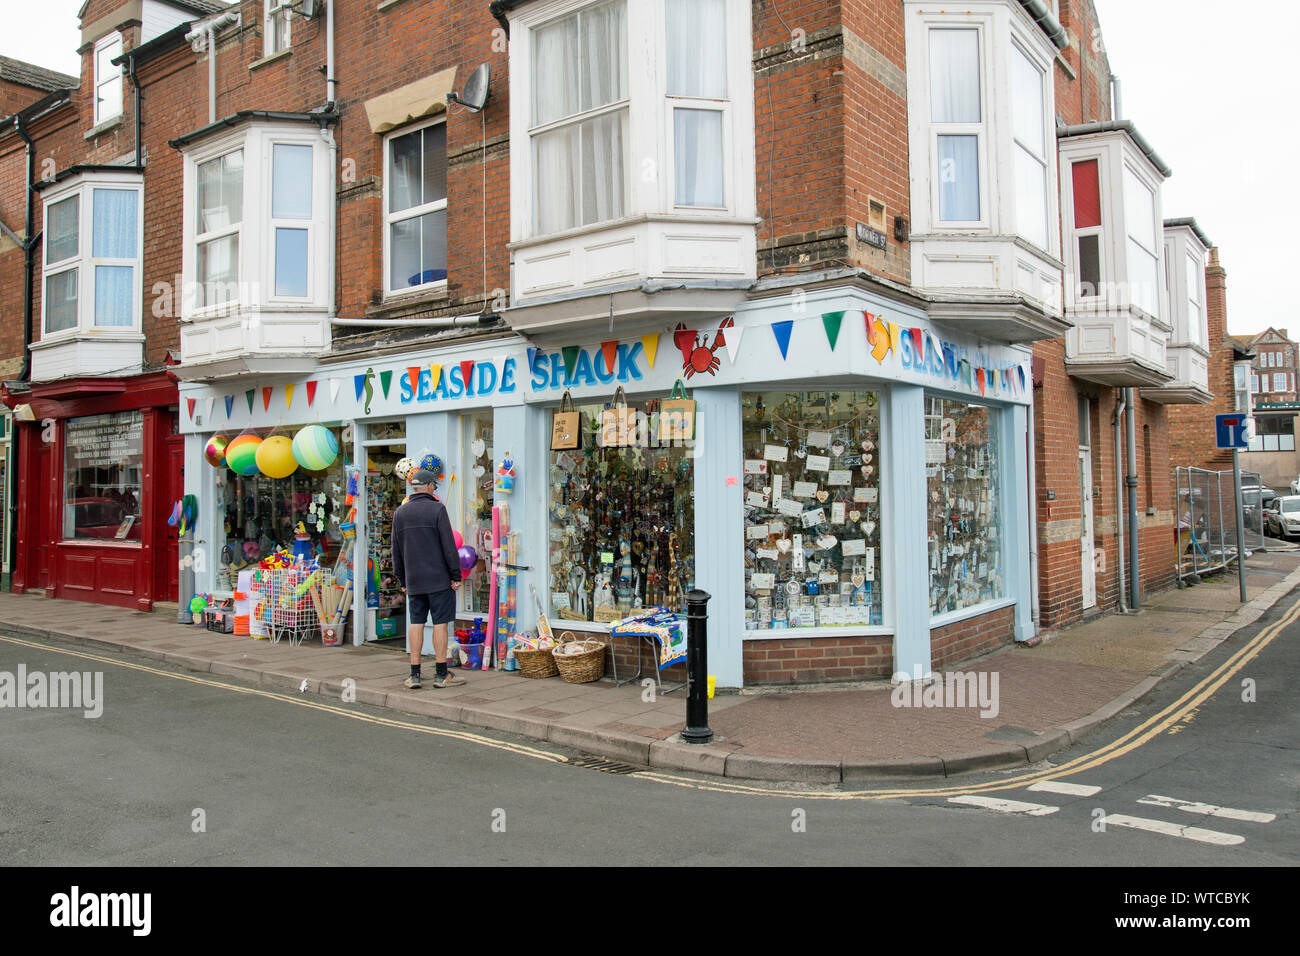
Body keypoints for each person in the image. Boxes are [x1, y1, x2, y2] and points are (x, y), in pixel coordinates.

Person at [391, 468, 465, 689]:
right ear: (430, 486)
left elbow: (396, 550)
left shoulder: (400, 513)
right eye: (434, 486)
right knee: (440, 624)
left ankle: (414, 674)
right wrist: (455, 575)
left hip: (414, 580)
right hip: (438, 579)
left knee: (416, 623)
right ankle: (441, 674)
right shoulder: (437, 509)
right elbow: (449, 547)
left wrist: (402, 579)